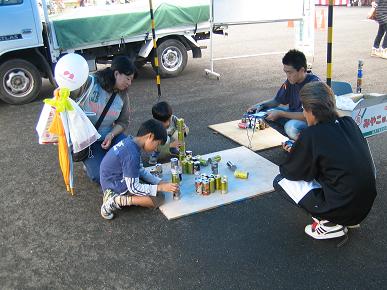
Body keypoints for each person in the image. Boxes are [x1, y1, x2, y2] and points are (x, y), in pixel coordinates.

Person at [273, 82, 377, 240]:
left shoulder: (312, 134)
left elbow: (290, 172)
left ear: (311, 112)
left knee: (280, 181)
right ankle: (342, 218)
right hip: (364, 205)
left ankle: (330, 223)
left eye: (303, 109)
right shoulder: (349, 123)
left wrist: (299, 152)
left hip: (344, 208)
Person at [99, 119, 180, 220]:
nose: (156, 149)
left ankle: (117, 197)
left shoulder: (131, 142)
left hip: (113, 178)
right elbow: (134, 187)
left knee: (151, 186)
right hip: (114, 185)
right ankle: (115, 200)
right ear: (150, 136)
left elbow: (140, 170)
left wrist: (159, 182)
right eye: (157, 144)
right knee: (158, 199)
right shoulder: (131, 154)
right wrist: (160, 188)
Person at [74, 55, 135, 183]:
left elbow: (123, 121)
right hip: (88, 139)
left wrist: (111, 135)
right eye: (128, 78)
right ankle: (91, 161)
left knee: (131, 154)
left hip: (108, 135)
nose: (129, 83)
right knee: (99, 175)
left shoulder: (123, 95)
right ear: (117, 73)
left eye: (131, 80)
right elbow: (71, 94)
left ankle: (107, 158)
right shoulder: (91, 83)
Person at [247, 49, 320, 140]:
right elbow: (277, 100)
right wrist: (259, 106)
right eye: (285, 72)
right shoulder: (291, 81)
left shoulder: (313, 85)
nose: (287, 76)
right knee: (264, 112)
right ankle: (293, 140)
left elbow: (308, 117)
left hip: (311, 123)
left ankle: (304, 145)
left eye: (290, 72)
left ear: (301, 70)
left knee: (291, 127)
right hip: (293, 114)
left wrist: (281, 113)